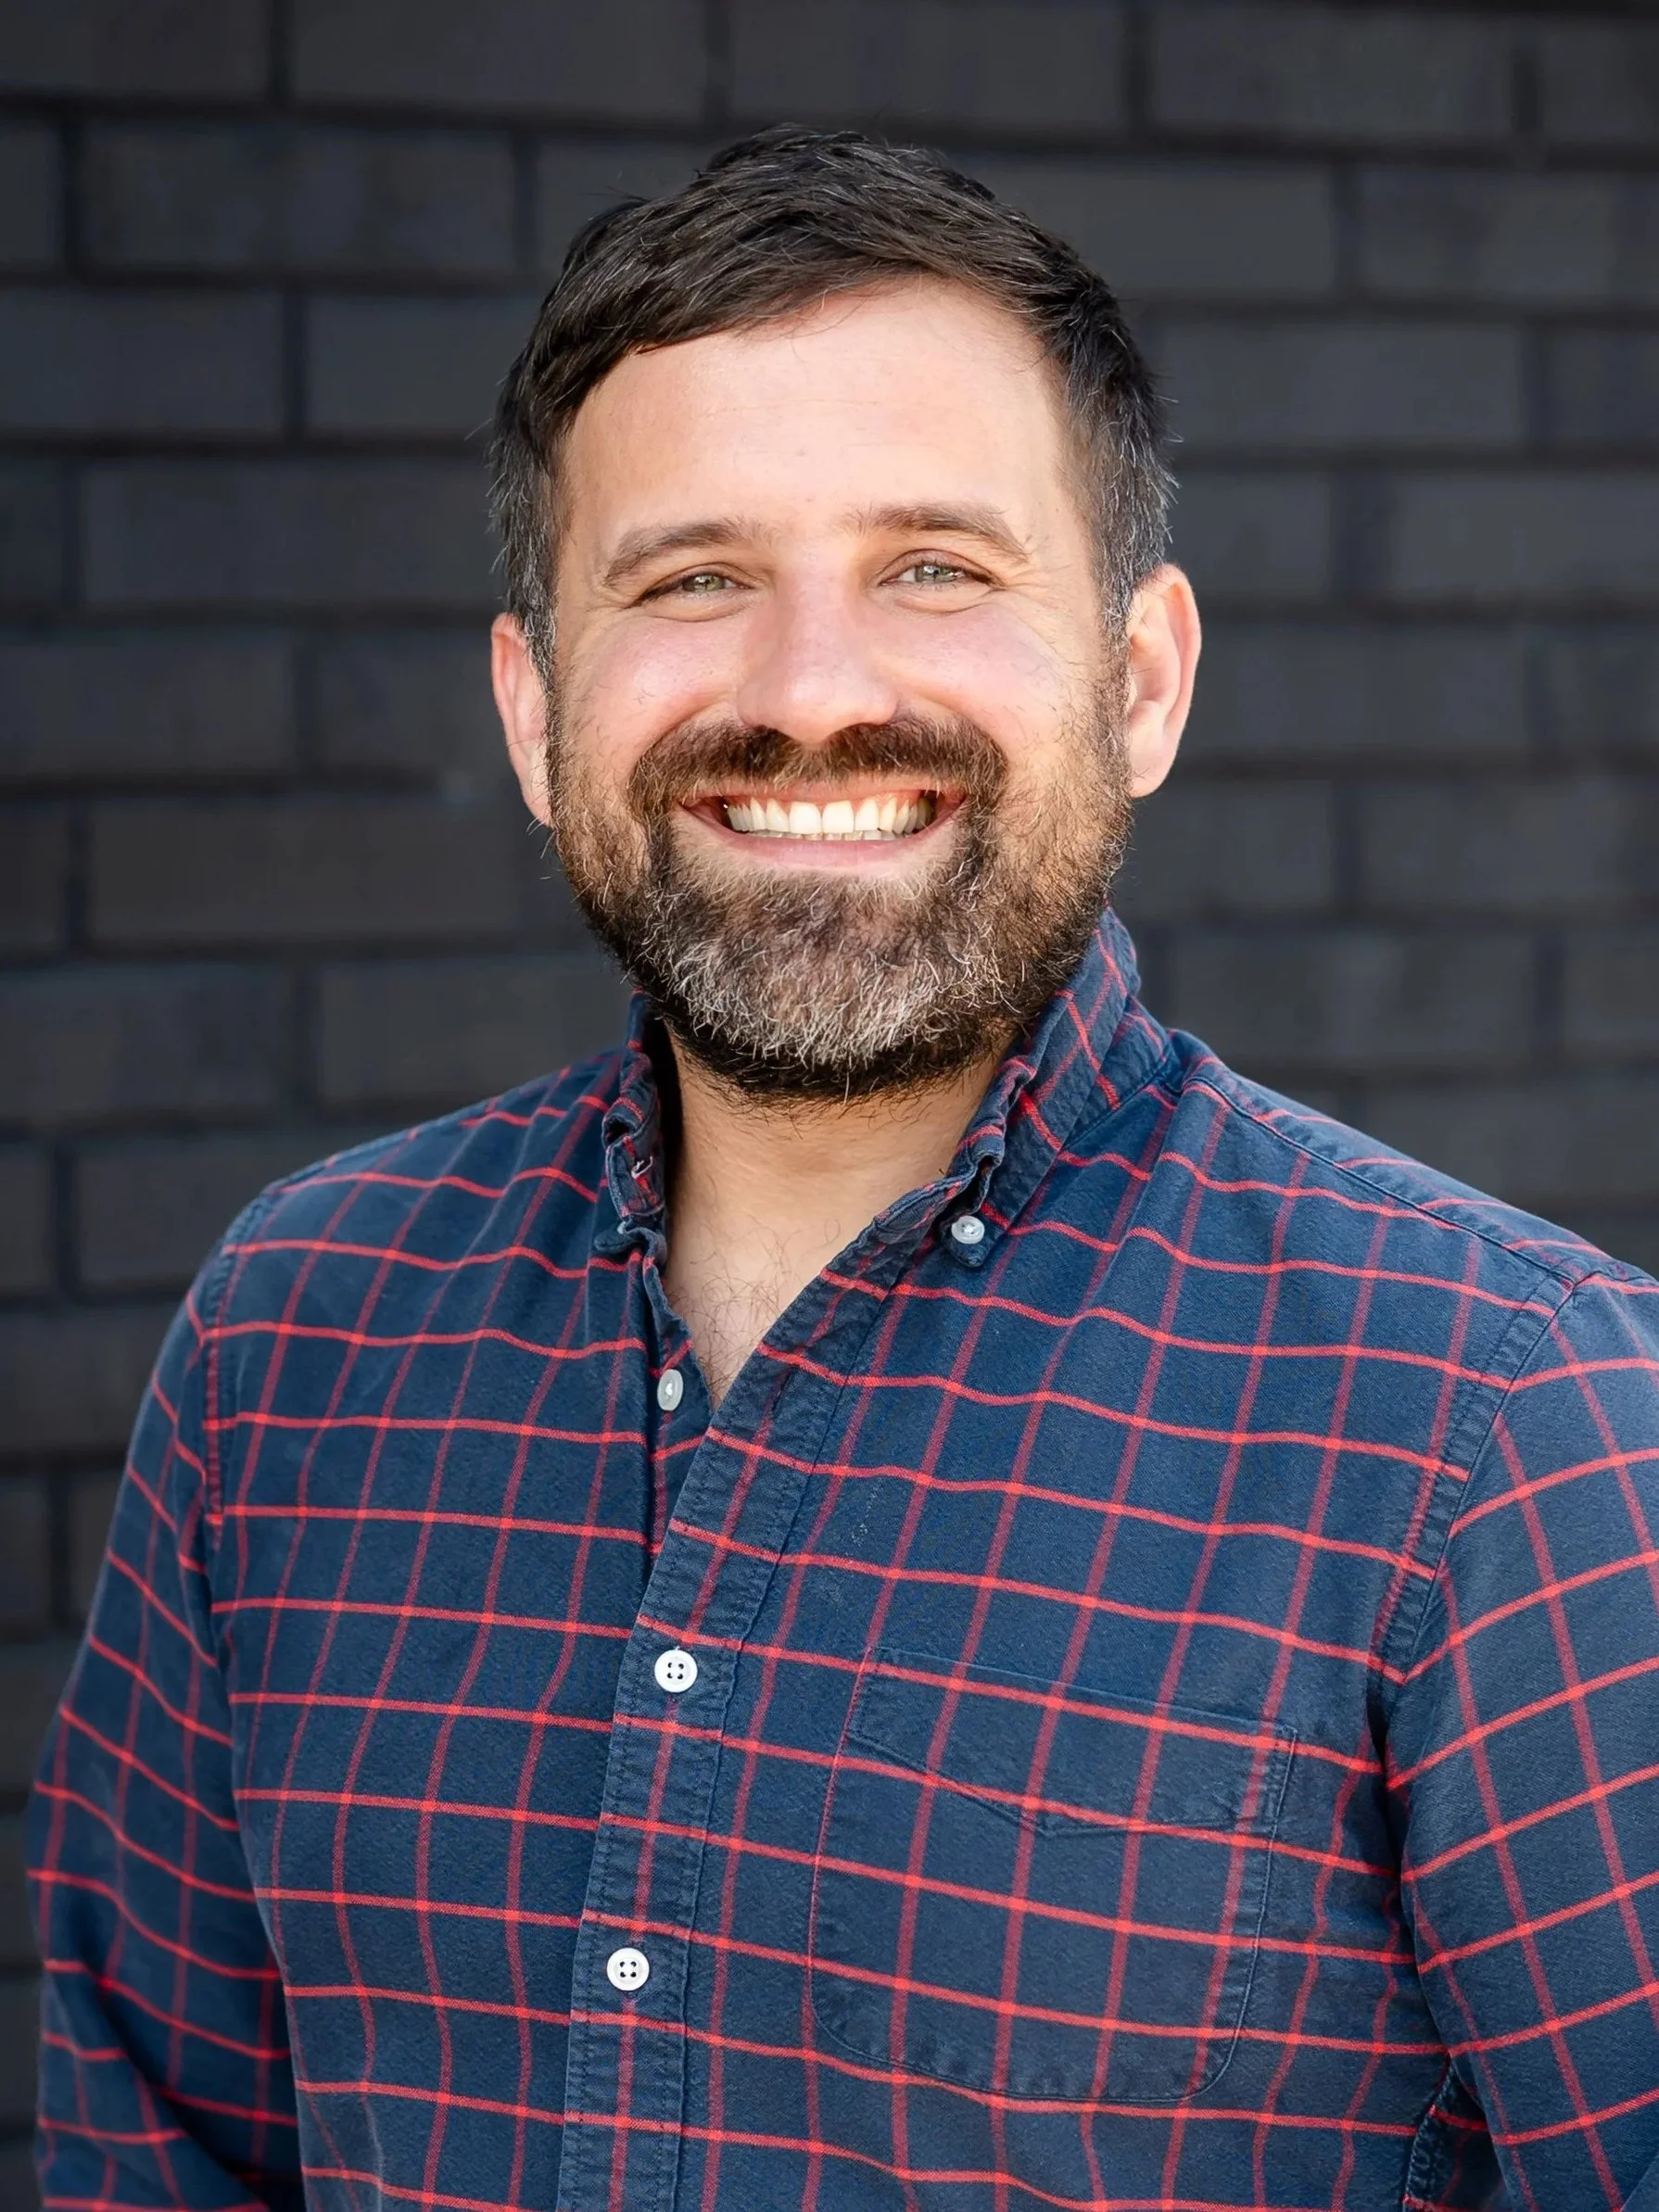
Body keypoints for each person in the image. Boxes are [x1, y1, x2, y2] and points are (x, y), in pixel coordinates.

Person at [29, 126, 1659, 2212]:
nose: (810, 693)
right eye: (692, 577)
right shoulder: (296, 1338)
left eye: (934, 569)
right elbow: (156, 2153)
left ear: (1142, 679)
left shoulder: (1511, 1424)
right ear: (534, 708)